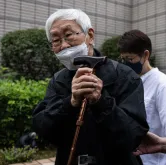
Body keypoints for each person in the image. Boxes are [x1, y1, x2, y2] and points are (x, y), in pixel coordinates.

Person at [32, 9, 149, 165]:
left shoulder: (124, 76)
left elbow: (134, 136)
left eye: (68, 35)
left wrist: (101, 102)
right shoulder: (58, 80)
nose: (64, 45)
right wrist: (70, 103)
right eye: (56, 40)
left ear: (90, 36)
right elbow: (44, 129)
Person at [117, 29, 166, 165]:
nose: (126, 64)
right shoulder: (129, 83)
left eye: (130, 59)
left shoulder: (162, 85)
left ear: (145, 55)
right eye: (123, 59)